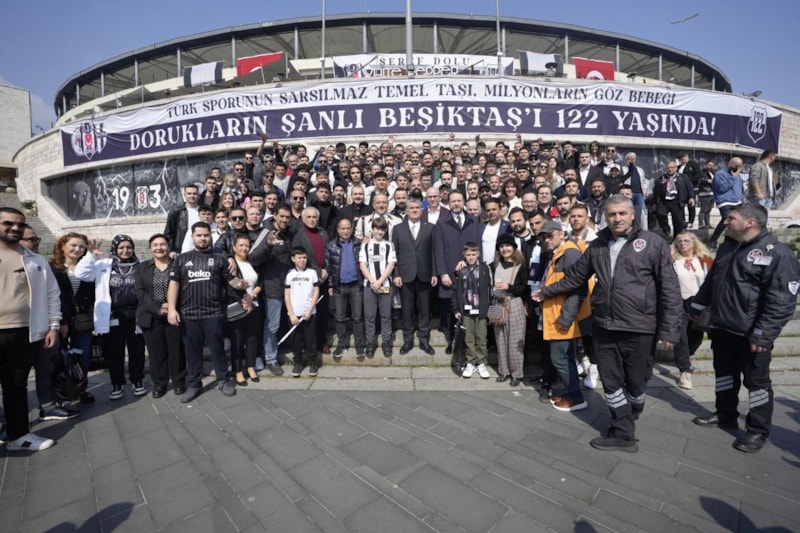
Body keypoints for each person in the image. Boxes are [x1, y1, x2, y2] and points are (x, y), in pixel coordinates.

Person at [535, 195, 682, 453]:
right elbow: (576, 277)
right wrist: (547, 291)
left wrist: (670, 329)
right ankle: (623, 432)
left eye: (622, 213)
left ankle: (631, 410)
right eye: (612, 214)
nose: (617, 219)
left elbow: (669, 288)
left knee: (636, 382)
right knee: (611, 381)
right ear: (605, 217)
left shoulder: (653, 243)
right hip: (604, 325)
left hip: (639, 326)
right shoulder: (598, 245)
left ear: (633, 214)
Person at [691, 204, 800, 453]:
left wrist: (763, 334)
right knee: (724, 374)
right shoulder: (728, 246)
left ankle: (757, 430)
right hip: (722, 327)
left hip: (752, 333)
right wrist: (697, 305)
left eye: (731, 218)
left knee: (757, 384)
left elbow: (782, 301)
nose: (725, 222)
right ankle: (725, 413)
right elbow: (712, 280)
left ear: (750, 222)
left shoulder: (778, 254)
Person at [0, 207, 60, 451]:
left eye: (20, 224)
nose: (15, 228)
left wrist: (53, 326)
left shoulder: (35, 260)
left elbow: (52, 295)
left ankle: (18, 436)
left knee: (16, 385)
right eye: (8, 223)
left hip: (23, 330)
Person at [168, 222, 243, 402]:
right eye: (199, 235)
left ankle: (223, 380)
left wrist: (240, 285)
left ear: (211, 236)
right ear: (192, 237)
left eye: (206, 235)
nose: (203, 238)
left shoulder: (219, 259)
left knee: (217, 349)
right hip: (189, 314)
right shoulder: (181, 259)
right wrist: (171, 308)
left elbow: (230, 280)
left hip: (213, 313)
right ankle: (194, 384)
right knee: (192, 352)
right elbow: (174, 284)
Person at [19, 226, 80, 421]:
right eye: (31, 240)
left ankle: (48, 406)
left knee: (47, 368)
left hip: (44, 328)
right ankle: (13, 415)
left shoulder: (41, 263)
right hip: (15, 329)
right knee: (15, 375)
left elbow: (57, 296)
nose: (36, 243)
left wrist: (59, 323)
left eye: (37, 239)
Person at [76, 235, 147, 400]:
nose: (125, 250)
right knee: (114, 351)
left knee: (137, 350)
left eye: (129, 247)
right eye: (121, 247)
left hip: (136, 314)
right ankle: (117, 383)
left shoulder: (141, 264)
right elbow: (82, 274)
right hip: (113, 315)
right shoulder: (103, 265)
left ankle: (137, 380)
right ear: (115, 248)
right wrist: (91, 255)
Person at [539, 220, 590, 411]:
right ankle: (571, 392)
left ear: (561, 234)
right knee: (565, 357)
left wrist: (566, 317)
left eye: (550, 236)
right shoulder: (559, 253)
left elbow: (578, 288)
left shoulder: (569, 253)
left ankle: (575, 397)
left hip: (562, 317)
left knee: (559, 358)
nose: (546, 240)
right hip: (557, 314)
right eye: (544, 237)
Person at [135, 234, 186, 398]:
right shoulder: (142, 268)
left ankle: (179, 381)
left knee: (176, 351)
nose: (159, 248)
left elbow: (184, 288)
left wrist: (172, 307)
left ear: (169, 247)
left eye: (163, 244)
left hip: (175, 313)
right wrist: (157, 309)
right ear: (150, 248)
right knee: (156, 353)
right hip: (151, 316)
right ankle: (160, 384)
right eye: (155, 245)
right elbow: (140, 292)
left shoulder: (177, 265)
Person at [50, 232, 96, 404]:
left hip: (82, 319)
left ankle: (80, 389)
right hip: (59, 318)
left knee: (82, 355)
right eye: (74, 245)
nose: (78, 249)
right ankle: (59, 392)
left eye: (82, 247)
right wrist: (61, 322)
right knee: (59, 357)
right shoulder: (52, 267)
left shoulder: (89, 266)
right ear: (63, 246)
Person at [434, 190, 482, 354]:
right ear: (448, 203)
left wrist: (477, 268)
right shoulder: (442, 222)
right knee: (451, 310)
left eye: (459, 200)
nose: (456, 203)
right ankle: (452, 341)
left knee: (469, 308)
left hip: (470, 272)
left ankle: (468, 343)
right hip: (450, 274)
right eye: (453, 201)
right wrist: (443, 273)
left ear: (464, 202)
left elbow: (478, 246)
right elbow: (438, 249)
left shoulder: (473, 220)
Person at [249, 204, 292, 376]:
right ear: (275, 216)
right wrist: (268, 245)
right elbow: (253, 258)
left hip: (287, 287)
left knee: (279, 324)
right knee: (272, 325)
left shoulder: (288, 234)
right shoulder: (267, 233)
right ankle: (271, 359)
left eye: (287, 217)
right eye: (282, 216)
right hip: (272, 288)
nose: (284, 219)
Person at [392, 199, 437, 355]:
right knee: (407, 310)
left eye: (418, 207)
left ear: (422, 210)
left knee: (425, 310)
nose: (415, 210)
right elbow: (394, 253)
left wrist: (434, 273)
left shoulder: (430, 227)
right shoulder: (398, 229)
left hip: (425, 274)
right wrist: (396, 274)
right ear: (407, 210)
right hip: (405, 275)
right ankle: (408, 340)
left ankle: (424, 340)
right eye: (412, 208)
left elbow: (434, 252)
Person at [670, 232, 713, 391]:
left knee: (696, 337)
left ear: (694, 243)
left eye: (686, 241)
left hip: (699, 302)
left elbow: (713, 280)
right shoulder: (672, 260)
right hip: (678, 302)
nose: (682, 243)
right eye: (679, 241)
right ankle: (685, 371)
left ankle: (685, 356)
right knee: (680, 335)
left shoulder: (705, 260)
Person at [325, 218, 365, 359]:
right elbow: (329, 267)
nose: (346, 231)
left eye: (348, 228)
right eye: (343, 228)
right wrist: (331, 285)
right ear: (338, 230)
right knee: (340, 318)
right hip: (339, 287)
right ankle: (341, 345)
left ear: (352, 229)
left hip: (356, 285)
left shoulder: (359, 244)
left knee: (358, 317)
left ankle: (359, 345)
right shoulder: (331, 246)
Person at [491, 234, 528, 386]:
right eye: (501, 246)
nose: (505, 249)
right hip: (497, 304)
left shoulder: (521, 266)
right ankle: (504, 371)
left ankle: (517, 374)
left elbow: (524, 288)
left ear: (513, 247)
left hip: (514, 303)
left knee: (515, 341)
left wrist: (509, 286)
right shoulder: (493, 265)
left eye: (507, 246)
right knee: (500, 340)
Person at [452, 242, 491, 379]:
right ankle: (470, 362)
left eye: (473, 254)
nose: (471, 257)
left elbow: (489, 288)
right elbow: (455, 291)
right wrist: (456, 309)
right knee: (468, 338)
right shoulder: (460, 270)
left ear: (478, 254)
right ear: (464, 255)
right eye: (468, 254)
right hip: (466, 309)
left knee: (481, 337)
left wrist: (489, 307)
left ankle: (481, 362)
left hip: (481, 309)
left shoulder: (485, 268)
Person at [227, 234, 262, 386]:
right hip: (238, 306)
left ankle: (251, 366)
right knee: (237, 339)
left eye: (247, 245)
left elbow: (261, 282)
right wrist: (244, 299)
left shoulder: (253, 262)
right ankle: (238, 370)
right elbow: (230, 283)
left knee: (252, 338)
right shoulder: (230, 264)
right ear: (234, 247)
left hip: (254, 305)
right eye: (241, 245)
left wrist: (252, 295)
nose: (244, 248)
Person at [359, 218, 396, 358]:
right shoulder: (365, 245)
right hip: (369, 286)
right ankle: (370, 342)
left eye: (382, 229)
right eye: (377, 229)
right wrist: (372, 281)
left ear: (385, 230)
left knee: (386, 316)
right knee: (369, 317)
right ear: (372, 229)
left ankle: (386, 342)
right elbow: (362, 265)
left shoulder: (389, 245)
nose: (379, 232)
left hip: (385, 285)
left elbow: (391, 265)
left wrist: (380, 281)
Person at [285, 247, 321, 377]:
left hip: (309, 313)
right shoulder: (290, 274)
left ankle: (313, 363)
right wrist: (291, 314)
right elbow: (287, 295)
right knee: (296, 340)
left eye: (304, 257)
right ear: (293, 259)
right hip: (294, 314)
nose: (302, 260)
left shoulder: (312, 273)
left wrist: (310, 310)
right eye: (299, 258)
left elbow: (316, 292)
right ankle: (298, 363)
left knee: (311, 339)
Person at [708, 157, 744, 250]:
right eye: (736, 165)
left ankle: (731, 242)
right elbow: (722, 188)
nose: (738, 168)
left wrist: (742, 197)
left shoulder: (738, 175)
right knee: (726, 219)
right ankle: (713, 240)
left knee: (737, 221)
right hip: (725, 201)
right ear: (729, 164)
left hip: (737, 201)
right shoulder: (720, 174)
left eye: (740, 166)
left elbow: (740, 188)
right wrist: (733, 177)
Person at [653, 161, 695, 240]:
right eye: (668, 168)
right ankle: (666, 229)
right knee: (660, 214)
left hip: (677, 201)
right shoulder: (662, 178)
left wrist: (691, 197)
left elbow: (690, 188)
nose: (670, 169)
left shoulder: (683, 177)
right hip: (665, 201)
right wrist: (655, 202)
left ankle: (676, 239)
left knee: (678, 222)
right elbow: (656, 191)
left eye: (672, 167)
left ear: (676, 168)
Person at [164, 183, 201, 257]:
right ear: (184, 195)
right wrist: (171, 250)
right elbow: (169, 233)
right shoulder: (176, 212)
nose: (192, 196)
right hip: (181, 251)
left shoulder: (204, 211)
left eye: (194, 193)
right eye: (189, 193)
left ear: (198, 195)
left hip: (201, 249)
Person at [697, 160, 716, 229]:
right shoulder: (702, 172)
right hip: (704, 193)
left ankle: (707, 224)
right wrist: (707, 180)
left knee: (708, 210)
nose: (711, 167)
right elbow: (700, 179)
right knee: (703, 210)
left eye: (712, 165)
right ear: (705, 165)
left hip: (712, 193)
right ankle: (701, 224)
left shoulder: (713, 173)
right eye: (710, 165)